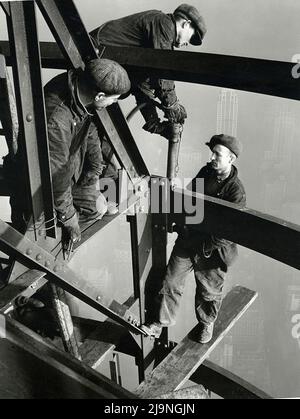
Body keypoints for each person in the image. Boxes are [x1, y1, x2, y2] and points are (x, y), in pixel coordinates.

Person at [142, 134, 246, 343]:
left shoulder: (236, 192)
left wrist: (205, 247)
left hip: (213, 251)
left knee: (208, 292)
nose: (212, 157)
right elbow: (188, 199)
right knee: (171, 282)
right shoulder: (206, 172)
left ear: (231, 159)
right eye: (212, 152)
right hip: (190, 239)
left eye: (217, 153)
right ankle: (159, 324)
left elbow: (228, 232)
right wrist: (178, 221)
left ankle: (206, 323)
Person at [44, 58, 131, 248]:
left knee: (98, 207)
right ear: (99, 96)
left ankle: (63, 238)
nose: (114, 103)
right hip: (43, 186)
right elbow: (55, 176)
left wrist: (94, 169)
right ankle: (55, 247)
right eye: (114, 98)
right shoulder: (57, 120)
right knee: (80, 219)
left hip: (68, 172)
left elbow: (88, 125)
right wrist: (69, 217)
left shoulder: (77, 88)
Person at [90, 4, 207, 140]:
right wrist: (172, 105)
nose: (188, 43)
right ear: (186, 24)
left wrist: (155, 123)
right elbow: (162, 72)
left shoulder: (156, 35)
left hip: (104, 65)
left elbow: (142, 83)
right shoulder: (164, 23)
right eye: (191, 37)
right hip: (95, 53)